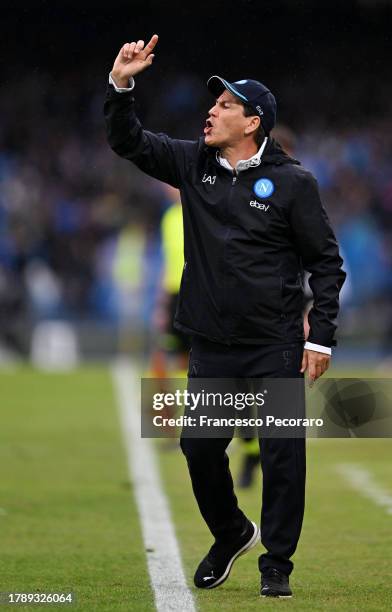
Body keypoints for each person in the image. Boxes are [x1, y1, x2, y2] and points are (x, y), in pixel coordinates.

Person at [104, 35, 346, 598]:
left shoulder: (294, 185)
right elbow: (127, 141)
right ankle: (231, 531)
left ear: (253, 122)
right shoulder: (193, 164)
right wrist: (121, 85)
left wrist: (324, 337)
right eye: (212, 105)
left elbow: (326, 264)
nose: (210, 112)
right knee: (197, 448)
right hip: (212, 344)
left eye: (224, 106)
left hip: (276, 345)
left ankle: (277, 564)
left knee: (283, 456)